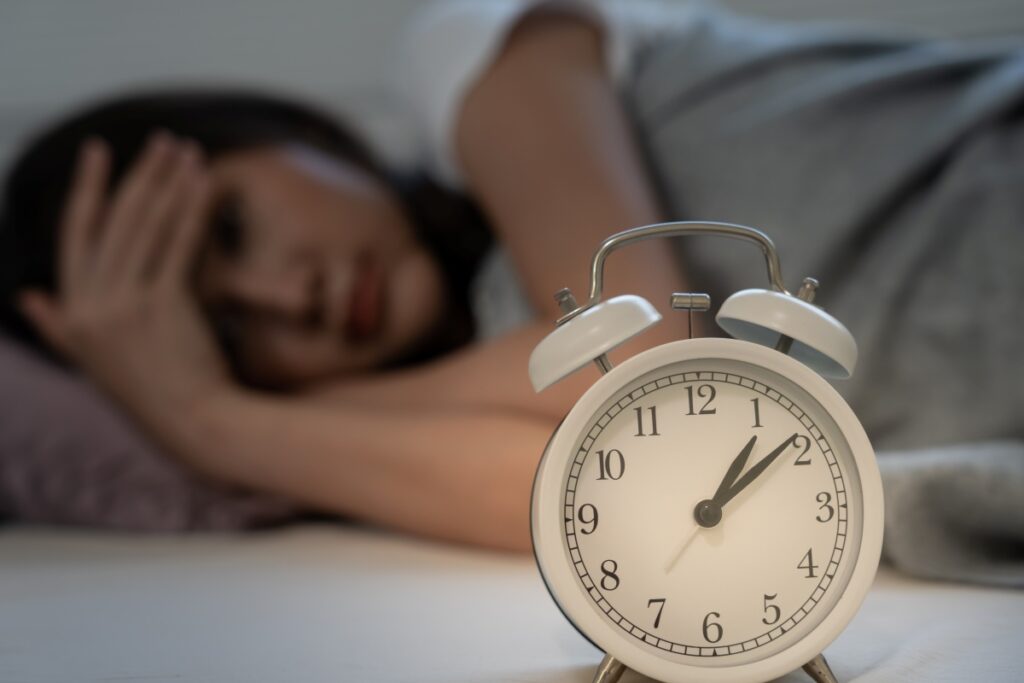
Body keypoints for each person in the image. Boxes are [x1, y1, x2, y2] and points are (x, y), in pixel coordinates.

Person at [0, 1, 1020, 555]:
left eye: (230, 226)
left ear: (282, 132)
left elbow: (645, 368)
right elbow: (656, 497)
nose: (284, 296)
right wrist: (216, 425)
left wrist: (205, 413)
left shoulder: (473, 56)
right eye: (224, 331)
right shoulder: (393, 452)